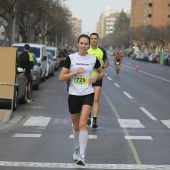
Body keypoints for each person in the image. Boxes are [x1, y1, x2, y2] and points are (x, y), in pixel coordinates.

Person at [59, 34, 104, 166]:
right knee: (76, 126)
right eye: (82, 43)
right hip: (73, 95)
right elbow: (61, 78)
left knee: (83, 124)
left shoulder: (93, 59)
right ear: (77, 44)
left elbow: (102, 72)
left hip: (87, 93)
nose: (84, 46)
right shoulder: (71, 58)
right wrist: (74, 72)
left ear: (89, 45)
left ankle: (82, 156)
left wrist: (96, 78)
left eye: (86, 44)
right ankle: (77, 147)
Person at [87, 33, 109, 128]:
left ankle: (94, 120)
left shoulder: (101, 50)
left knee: (95, 99)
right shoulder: (86, 49)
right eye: (92, 39)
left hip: (97, 77)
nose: (93, 40)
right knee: (87, 99)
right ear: (90, 40)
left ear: (98, 40)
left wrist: (102, 67)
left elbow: (107, 61)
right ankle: (88, 116)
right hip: (86, 78)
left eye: (95, 38)